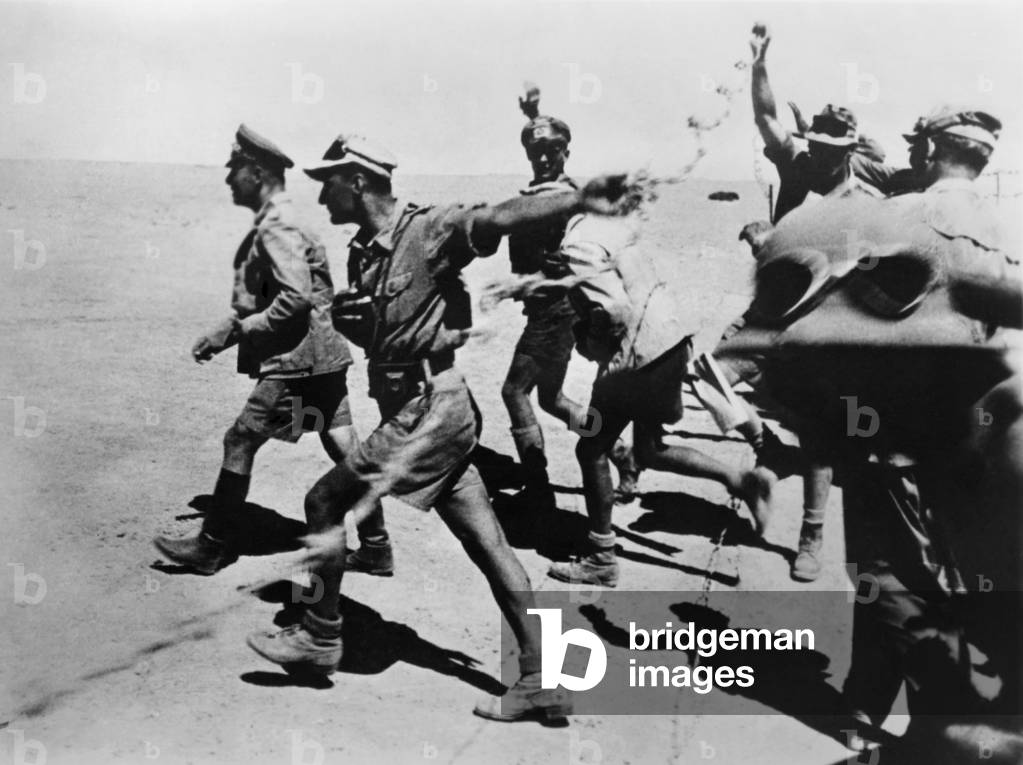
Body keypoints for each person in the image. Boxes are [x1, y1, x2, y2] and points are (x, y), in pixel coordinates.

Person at [244, 133, 627, 721]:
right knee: (487, 542)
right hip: (433, 409)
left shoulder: (428, 230)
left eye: (329, 184)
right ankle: (540, 678)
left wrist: (578, 200)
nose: (322, 197)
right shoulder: (364, 253)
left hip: (427, 410)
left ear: (358, 181)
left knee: (323, 501)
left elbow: (496, 217)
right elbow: (387, 338)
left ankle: (320, 634)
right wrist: (359, 330)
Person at [153, 125, 383, 575]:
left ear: (255, 172)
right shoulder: (283, 220)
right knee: (342, 444)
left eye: (234, 170)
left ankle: (213, 545)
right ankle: (375, 545)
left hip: (295, 361)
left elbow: (293, 299)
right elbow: (279, 294)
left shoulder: (277, 226)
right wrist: (226, 330)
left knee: (240, 440)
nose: (228, 180)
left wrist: (241, 330)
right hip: (323, 355)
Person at [543, 212, 776, 587]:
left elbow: (614, 310)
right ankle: (737, 478)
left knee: (591, 450)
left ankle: (602, 558)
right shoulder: (605, 225)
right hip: (669, 343)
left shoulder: (576, 248)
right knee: (650, 449)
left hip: (635, 359)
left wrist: (592, 339)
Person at [500, 84, 640, 512]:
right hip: (551, 309)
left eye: (552, 151)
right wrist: (535, 113)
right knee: (551, 398)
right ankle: (621, 455)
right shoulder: (553, 190)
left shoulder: (561, 195)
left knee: (514, 392)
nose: (543, 157)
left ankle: (536, 483)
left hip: (555, 311)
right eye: (535, 151)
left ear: (566, 152)